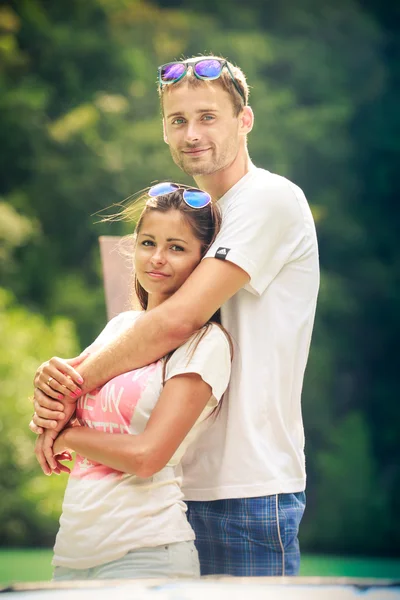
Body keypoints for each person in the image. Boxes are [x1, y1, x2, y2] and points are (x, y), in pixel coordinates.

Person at [32, 55, 319, 576]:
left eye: (208, 117)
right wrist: (62, 380)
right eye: (178, 120)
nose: (192, 134)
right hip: (164, 494)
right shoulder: (186, 221)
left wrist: (65, 391)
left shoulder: (269, 199)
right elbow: (137, 334)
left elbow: (174, 322)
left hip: (245, 490)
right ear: (164, 128)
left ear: (245, 120)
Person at [35, 185, 232, 580]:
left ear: (202, 261)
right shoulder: (120, 328)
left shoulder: (206, 344)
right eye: (147, 243)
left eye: (176, 248)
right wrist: (46, 381)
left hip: (146, 554)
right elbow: (67, 395)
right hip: (72, 554)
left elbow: (147, 456)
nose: (157, 258)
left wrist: (64, 436)